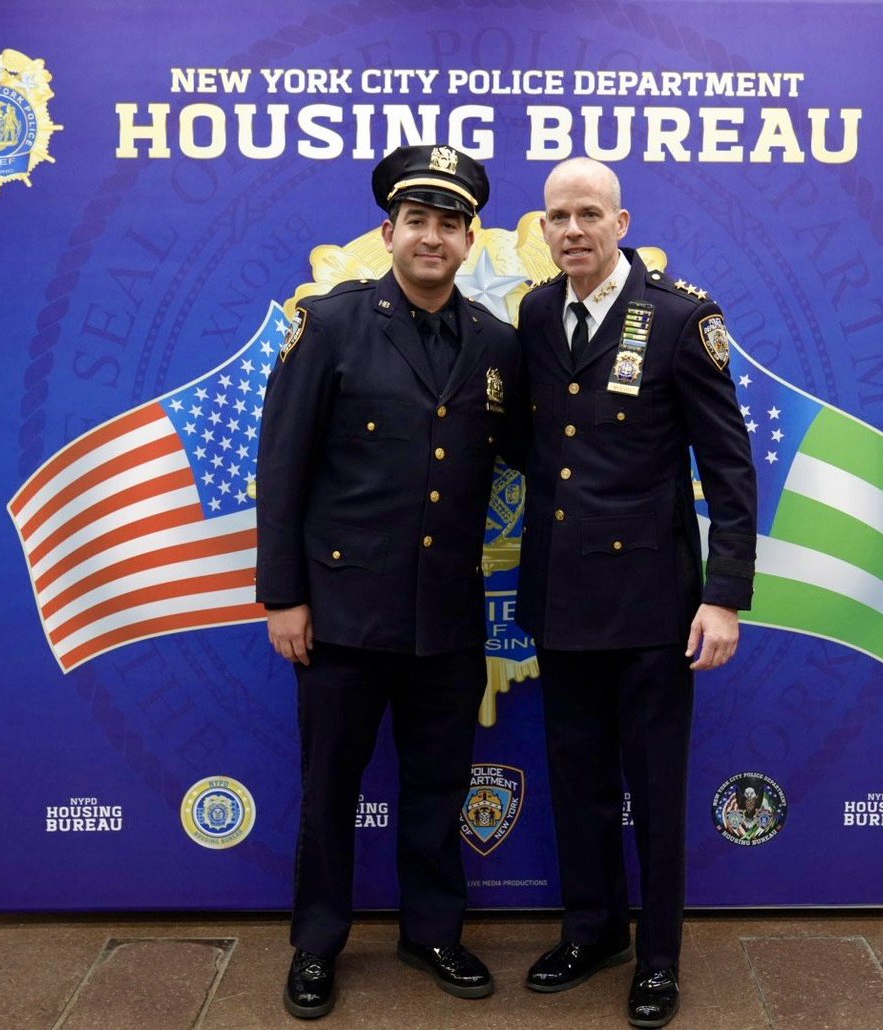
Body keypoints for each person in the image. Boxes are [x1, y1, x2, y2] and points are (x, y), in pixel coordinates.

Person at [255, 144, 520, 1020]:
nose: (433, 237)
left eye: (451, 223)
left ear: (471, 238)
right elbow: (283, 467)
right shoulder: (329, 324)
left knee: (440, 783)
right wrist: (284, 596)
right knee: (330, 786)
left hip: (445, 614)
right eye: (418, 221)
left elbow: (535, 450)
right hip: (339, 613)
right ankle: (318, 944)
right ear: (389, 231)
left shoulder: (496, 343)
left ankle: (433, 932)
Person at [516, 157, 757, 1029]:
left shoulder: (684, 320)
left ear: (622, 222)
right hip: (560, 595)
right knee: (576, 778)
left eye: (588, 213)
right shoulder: (538, 312)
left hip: (656, 605)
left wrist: (724, 594)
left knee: (654, 790)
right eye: (556, 216)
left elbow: (729, 469)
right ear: (541, 229)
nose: (571, 229)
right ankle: (594, 932)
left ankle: (658, 958)